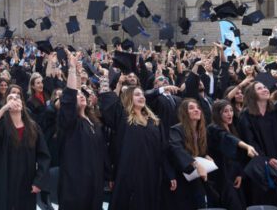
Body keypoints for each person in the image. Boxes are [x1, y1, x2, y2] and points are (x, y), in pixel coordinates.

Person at [99, 70, 170, 210]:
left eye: (142, 94)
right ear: (128, 98)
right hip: (129, 173)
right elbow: (108, 104)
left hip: (151, 173)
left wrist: (169, 173)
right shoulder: (122, 117)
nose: (142, 97)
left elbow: (162, 149)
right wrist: (110, 79)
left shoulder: (153, 121)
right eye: (137, 94)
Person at [0, 84, 50, 209]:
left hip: (26, 180)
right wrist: (3, 109)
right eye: (10, 98)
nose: (14, 100)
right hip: (3, 179)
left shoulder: (33, 127)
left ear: (22, 103)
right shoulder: (0, 125)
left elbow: (43, 155)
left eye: (17, 98)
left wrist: (39, 181)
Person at [57, 50, 108, 210]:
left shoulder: (93, 122)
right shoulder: (71, 123)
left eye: (83, 94)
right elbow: (69, 96)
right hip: (76, 183)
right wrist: (72, 69)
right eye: (77, 95)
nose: (81, 96)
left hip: (95, 182)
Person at [238, 81, 277, 208]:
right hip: (261, 166)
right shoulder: (246, 116)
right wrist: (266, 159)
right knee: (266, 201)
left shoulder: (276, 111)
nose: (265, 89)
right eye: (259, 88)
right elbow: (249, 142)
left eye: (265, 87)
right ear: (252, 94)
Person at [207, 100, 258, 210]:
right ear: (218, 113)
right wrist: (247, 146)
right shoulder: (213, 128)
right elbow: (228, 138)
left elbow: (238, 157)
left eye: (231, 110)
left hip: (233, 176)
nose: (230, 114)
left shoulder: (232, 129)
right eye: (225, 111)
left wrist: (240, 174)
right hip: (221, 178)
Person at [169, 98, 215, 209]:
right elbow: (177, 150)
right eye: (191, 108)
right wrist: (195, 164)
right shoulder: (176, 130)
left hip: (197, 178)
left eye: (198, 108)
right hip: (182, 178)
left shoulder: (201, 131)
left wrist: (206, 156)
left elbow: (199, 152)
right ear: (185, 112)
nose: (196, 110)